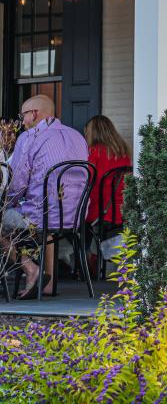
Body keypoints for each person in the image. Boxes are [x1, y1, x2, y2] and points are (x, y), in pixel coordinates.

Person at [2, 95, 89, 298]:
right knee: (46, 216)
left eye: (23, 116)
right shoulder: (77, 136)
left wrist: (5, 203)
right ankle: (47, 285)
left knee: (2, 219)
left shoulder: (30, 137)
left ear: (34, 114)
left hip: (41, 217)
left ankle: (31, 270)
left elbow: (17, 181)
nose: (22, 122)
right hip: (74, 216)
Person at [83, 116, 132, 268]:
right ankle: (93, 258)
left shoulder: (94, 152)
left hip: (100, 208)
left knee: (75, 221)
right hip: (121, 207)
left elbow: (87, 180)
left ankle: (84, 262)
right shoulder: (123, 150)